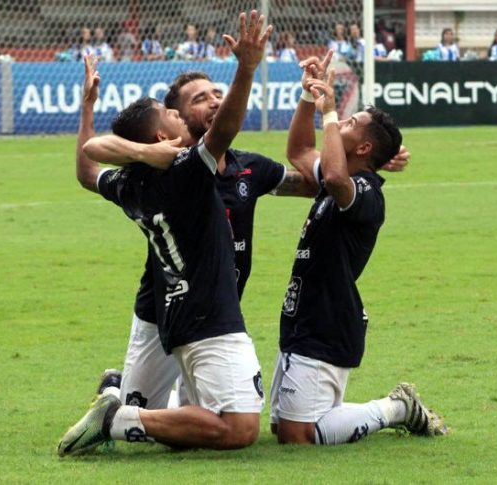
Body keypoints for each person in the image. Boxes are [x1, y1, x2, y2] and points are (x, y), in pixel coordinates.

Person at [78, 49, 411, 425]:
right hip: (159, 310)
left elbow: (314, 178)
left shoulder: (247, 169)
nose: (214, 100)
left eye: (216, 93)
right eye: (198, 99)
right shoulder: (167, 175)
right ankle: (117, 395)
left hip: (217, 310)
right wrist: (147, 151)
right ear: (176, 120)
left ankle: (120, 398)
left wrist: (366, 163)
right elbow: (92, 167)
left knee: (197, 417)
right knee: (146, 410)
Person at [58, 10, 274, 455]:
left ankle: (119, 399)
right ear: (163, 134)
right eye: (173, 115)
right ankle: (117, 418)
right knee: (237, 429)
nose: (180, 117)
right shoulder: (186, 170)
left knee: (182, 425)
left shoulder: (129, 183)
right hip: (207, 312)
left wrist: (88, 108)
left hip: (173, 309)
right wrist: (247, 68)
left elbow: (86, 167)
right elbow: (226, 127)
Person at [269, 55, 447, 445]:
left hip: (329, 321)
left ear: (364, 147)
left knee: (298, 436)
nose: (341, 122)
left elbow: (333, 176)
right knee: (283, 428)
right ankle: (387, 410)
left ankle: (396, 408)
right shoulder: (345, 175)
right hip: (304, 316)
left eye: (351, 123)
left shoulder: (364, 191)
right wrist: (307, 93)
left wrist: (330, 113)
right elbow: (299, 149)